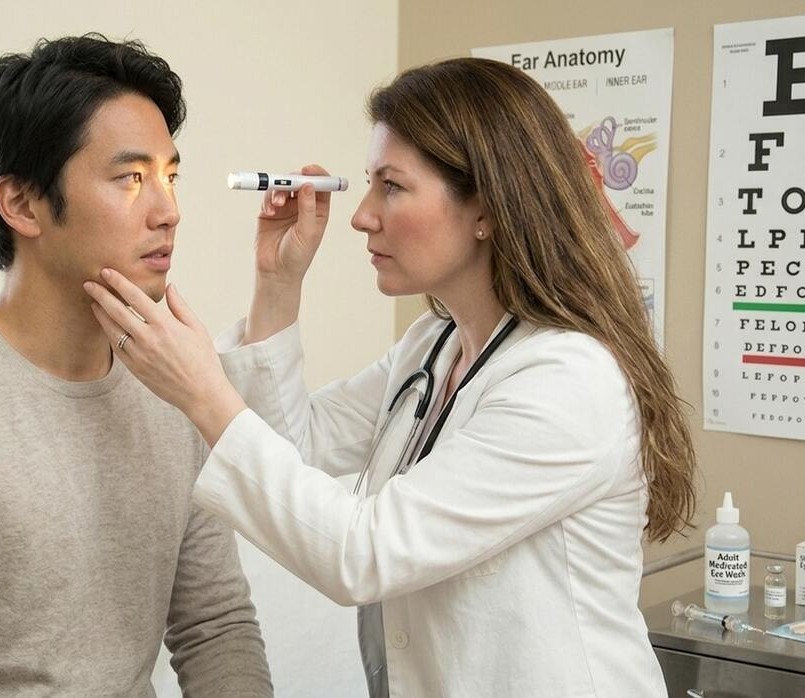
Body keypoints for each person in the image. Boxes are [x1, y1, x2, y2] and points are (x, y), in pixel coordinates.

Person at [84, 56, 697, 697]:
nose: (361, 215)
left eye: (391, 187)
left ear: (485, 207)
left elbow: (363, 552)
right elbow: (300, 450)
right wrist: (278, 280)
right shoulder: (433, 346)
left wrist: (199, 390)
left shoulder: (567, 381)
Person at [0, 34, 272, 697]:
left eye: (169, 175)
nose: (168, 210)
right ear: (20, 204)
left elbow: (215, 627)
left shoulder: (174, 384)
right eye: (131, 178)